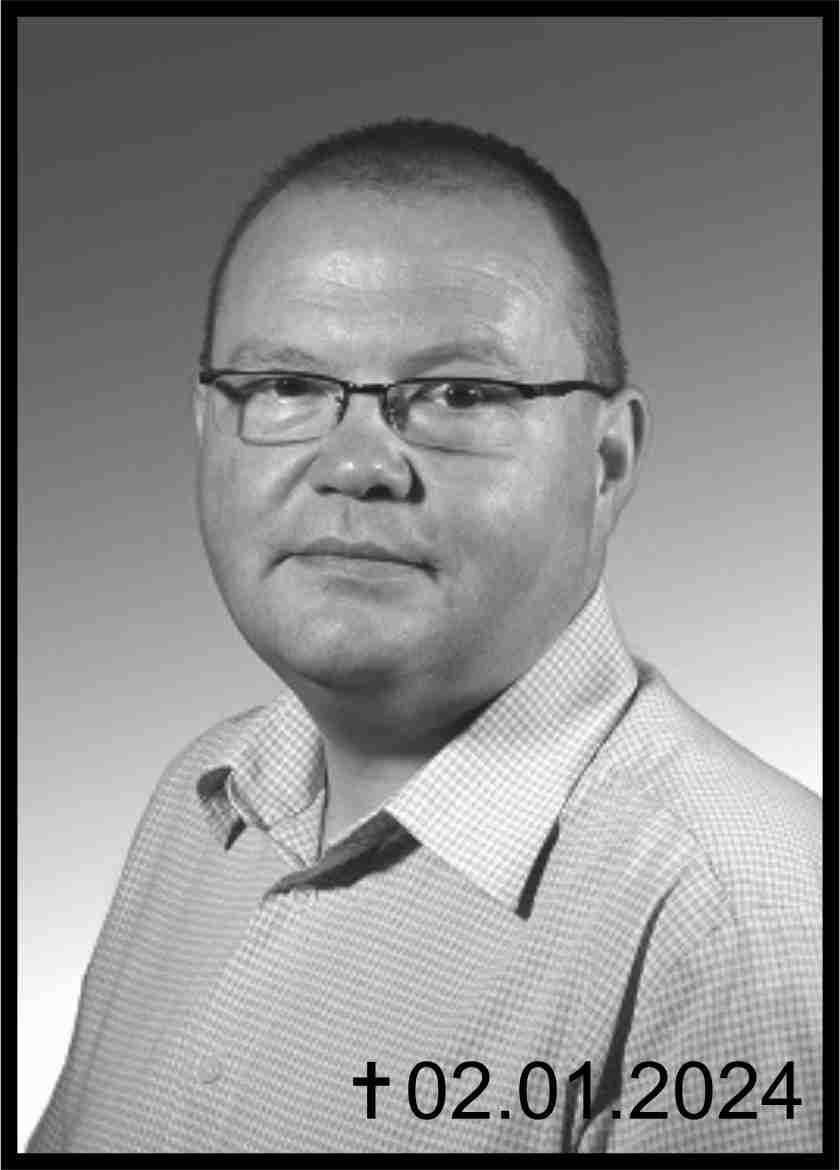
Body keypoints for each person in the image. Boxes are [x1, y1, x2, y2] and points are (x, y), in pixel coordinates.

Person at [27, 119, 821, 1155]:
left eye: (459, 394)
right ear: (206, 431)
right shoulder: (200, 803)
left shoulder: (733, 933)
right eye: (287, 387)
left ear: (608, 463)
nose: (356, 465)